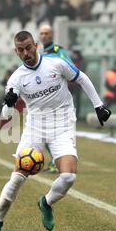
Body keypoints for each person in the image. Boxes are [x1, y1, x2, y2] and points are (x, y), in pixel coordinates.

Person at [0, 31, 111, 231]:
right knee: (18, 178)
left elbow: (82, 78)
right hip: (35, 128)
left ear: (35, 45)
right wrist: (8, 104)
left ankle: (46, 202)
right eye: (21, 50)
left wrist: (98, 106)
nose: (26, 53)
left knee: (69, 177)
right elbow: (6, 115)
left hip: (62, 126)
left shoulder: (56, 63)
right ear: (15, 52)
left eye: (28, 47)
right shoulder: (16, 78)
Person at [39, 24, 73, 173]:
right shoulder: (39, 52)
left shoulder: (58, 50)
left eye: (47, 33)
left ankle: (57, 163)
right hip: (42, 98)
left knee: (55, 133)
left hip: (57, 99)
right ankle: (55, 161)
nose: (44, 36)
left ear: (52, 35)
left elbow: (70, 66)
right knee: (43, 134)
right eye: (42, 33)